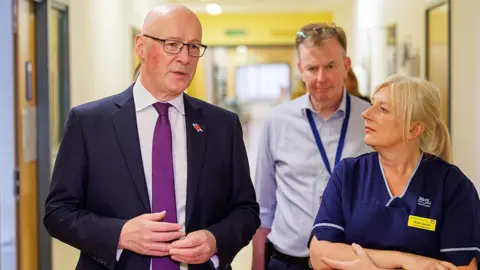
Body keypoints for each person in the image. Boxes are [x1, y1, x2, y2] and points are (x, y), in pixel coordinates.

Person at [44, 4, 260, 270]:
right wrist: (120, 234)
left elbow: (246, 211)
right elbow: (58, 213)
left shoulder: (222, 125)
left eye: (194, 46)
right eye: (172, 44)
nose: (184, 57)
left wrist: (214, 240)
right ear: (140, 47)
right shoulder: (89, 123)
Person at [309, 75, 480, 270]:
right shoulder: (348, 174)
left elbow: (463, 267)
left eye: (382, 109)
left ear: (413, 129)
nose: (366, 113)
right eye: (372, 104)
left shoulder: (453, 187)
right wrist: (406, 260)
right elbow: (320, 254)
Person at [252, 23, 372, 270]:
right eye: (311, 68)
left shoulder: (370, 119)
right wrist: (257, 264)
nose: (321, 78)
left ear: (346, 66)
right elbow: (264, 207)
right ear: (300, 69)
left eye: (330, 66)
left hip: (351, 261)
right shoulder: (277, 121)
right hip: (287, 261)